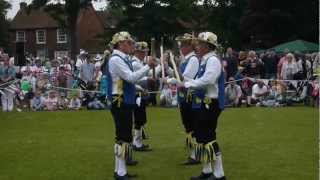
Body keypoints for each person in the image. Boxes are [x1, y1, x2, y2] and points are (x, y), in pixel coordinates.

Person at [106, 31, 155, 179]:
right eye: (129, 43)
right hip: (120, 100)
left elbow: (127, 81)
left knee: (124, 136)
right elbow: (130, 77)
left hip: (124, 99)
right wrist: (147, 67)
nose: (131, 45)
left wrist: (140, 88)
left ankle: (121, 170)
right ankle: (120, 172)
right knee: (122, 136)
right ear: (120, 44)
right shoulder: (116, 59)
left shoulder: (122, 58)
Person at [180, 32, 226, 180]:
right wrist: (182, 83)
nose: (196, 46)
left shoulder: (212, 60)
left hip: (211, 103)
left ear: (207, 46)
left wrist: (187, 84)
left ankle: (219, 174)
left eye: (199, 44)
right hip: (204, 102)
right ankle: (207, 171)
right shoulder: (205, 60)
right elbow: (200, 80)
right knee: (201, 136)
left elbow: (208, 80)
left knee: (208, 136)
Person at [174, 33, 200, 165]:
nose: (180, 47)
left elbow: (186, 79)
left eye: (183, 45)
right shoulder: (186, 59)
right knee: (188, 124)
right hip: (184, 96)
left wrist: (172, 79)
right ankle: (194, 152)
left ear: (189, 46)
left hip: (190, 96)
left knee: (192, 124)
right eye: (180, 45)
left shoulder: (193, 59)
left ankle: (196, 154)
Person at [131, 41, 152, 151]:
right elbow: (135, 79)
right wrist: (143, 87)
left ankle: (137, 141)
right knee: (139, 119)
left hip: (141, 93)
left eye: (145, 52)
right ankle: (137, 143)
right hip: (137, 94)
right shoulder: (135, 63)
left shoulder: (139, 62)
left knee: (141, 119)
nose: (144, 54)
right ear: (137, 52)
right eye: (142, 52)